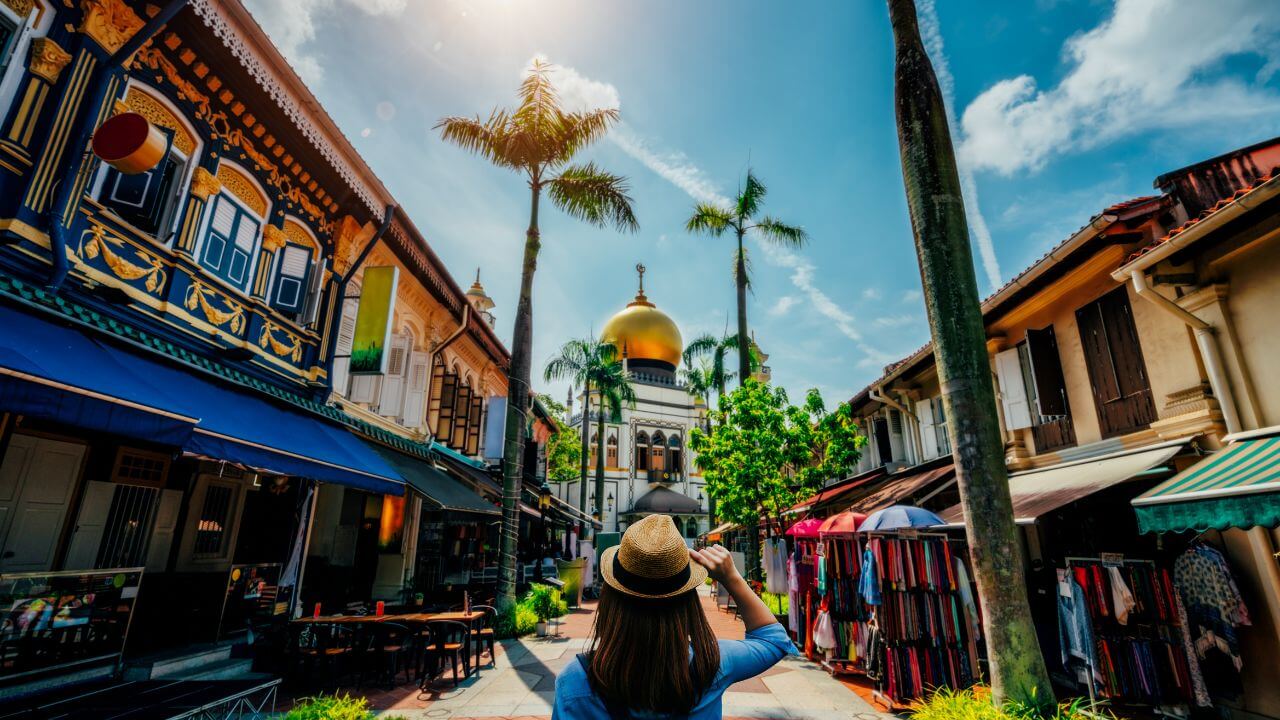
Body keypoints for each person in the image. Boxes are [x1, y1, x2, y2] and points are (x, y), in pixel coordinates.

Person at [553, 514, 795, 719]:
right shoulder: (712, 666)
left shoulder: (576, 681)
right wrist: (731, 577)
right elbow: (774, 639)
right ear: (687, 602)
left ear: (611, 599)